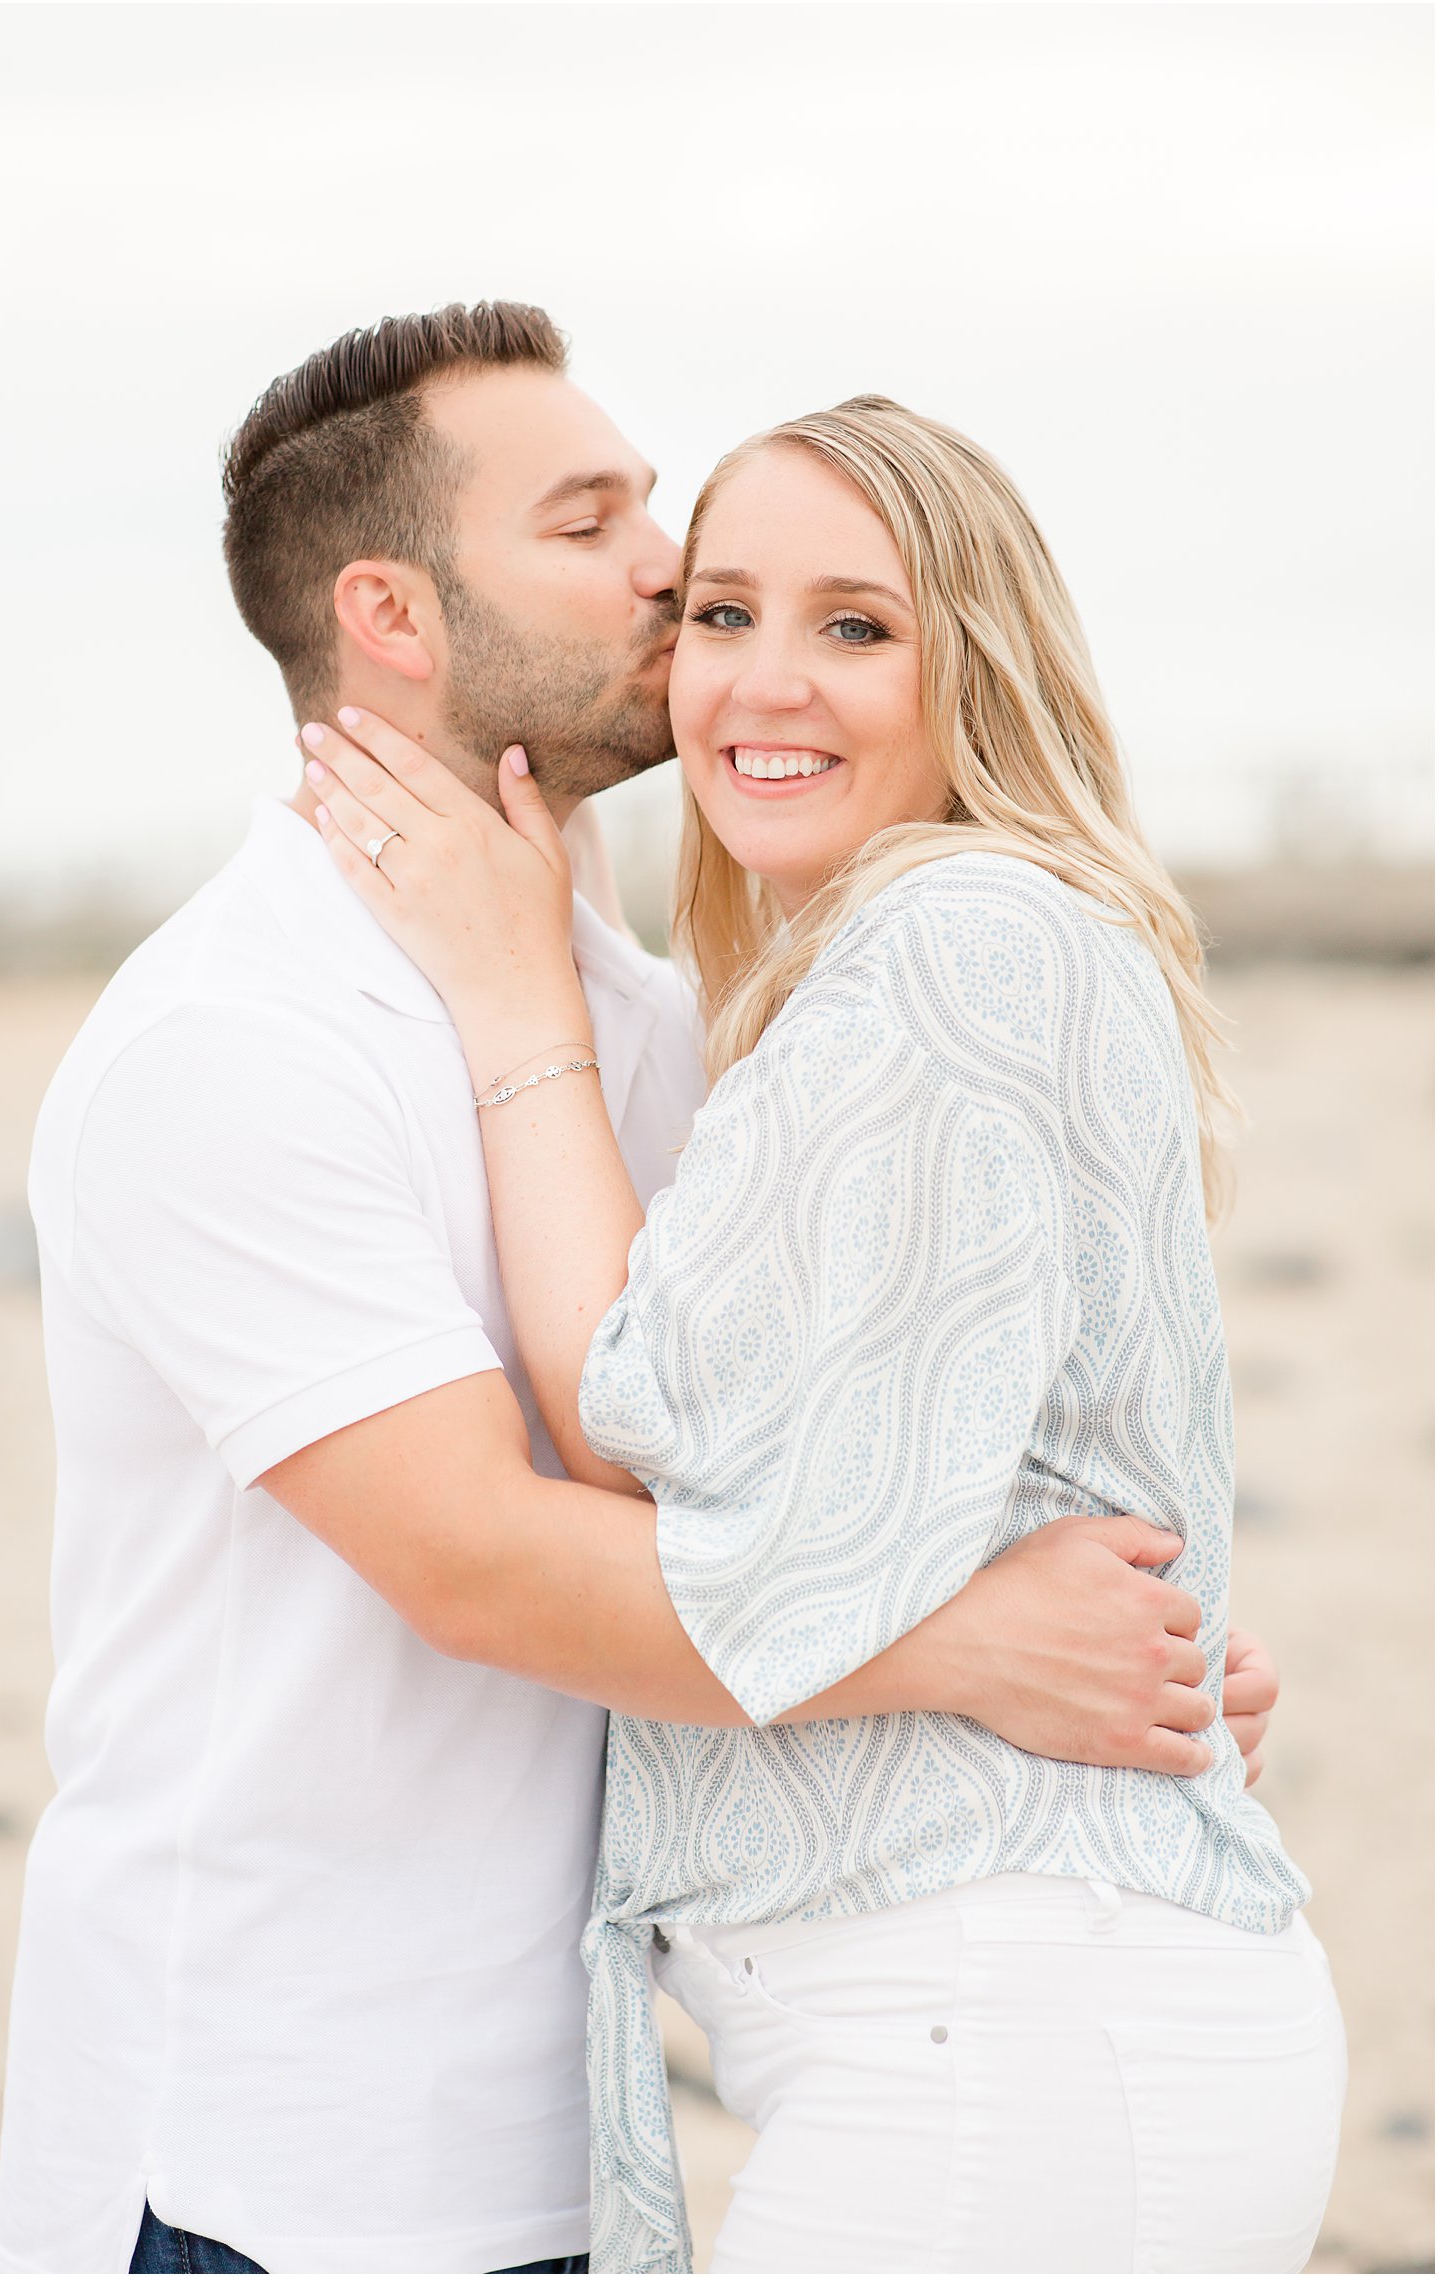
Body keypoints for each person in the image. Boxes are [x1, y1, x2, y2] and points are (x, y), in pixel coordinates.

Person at [0, 305, 1277, 2277]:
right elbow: (484, 1557)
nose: (665, 567)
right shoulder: (235, 1041)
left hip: (587, 2125)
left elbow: (798, 1458)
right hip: (272, 2162)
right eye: (591, 522)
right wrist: (966, 1648)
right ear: (395, 615)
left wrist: (1109, 1657)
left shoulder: (642, 1025)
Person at [299, 392, 1344, 2274]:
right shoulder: (906, 963)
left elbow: (653, 1426)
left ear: (981, 667)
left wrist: (514, 988)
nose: (764, 682)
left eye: (856, 625)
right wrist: (994, 1636)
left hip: (1006, 2039)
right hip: (1015, 2025)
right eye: (721, 613)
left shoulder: (954, 949)